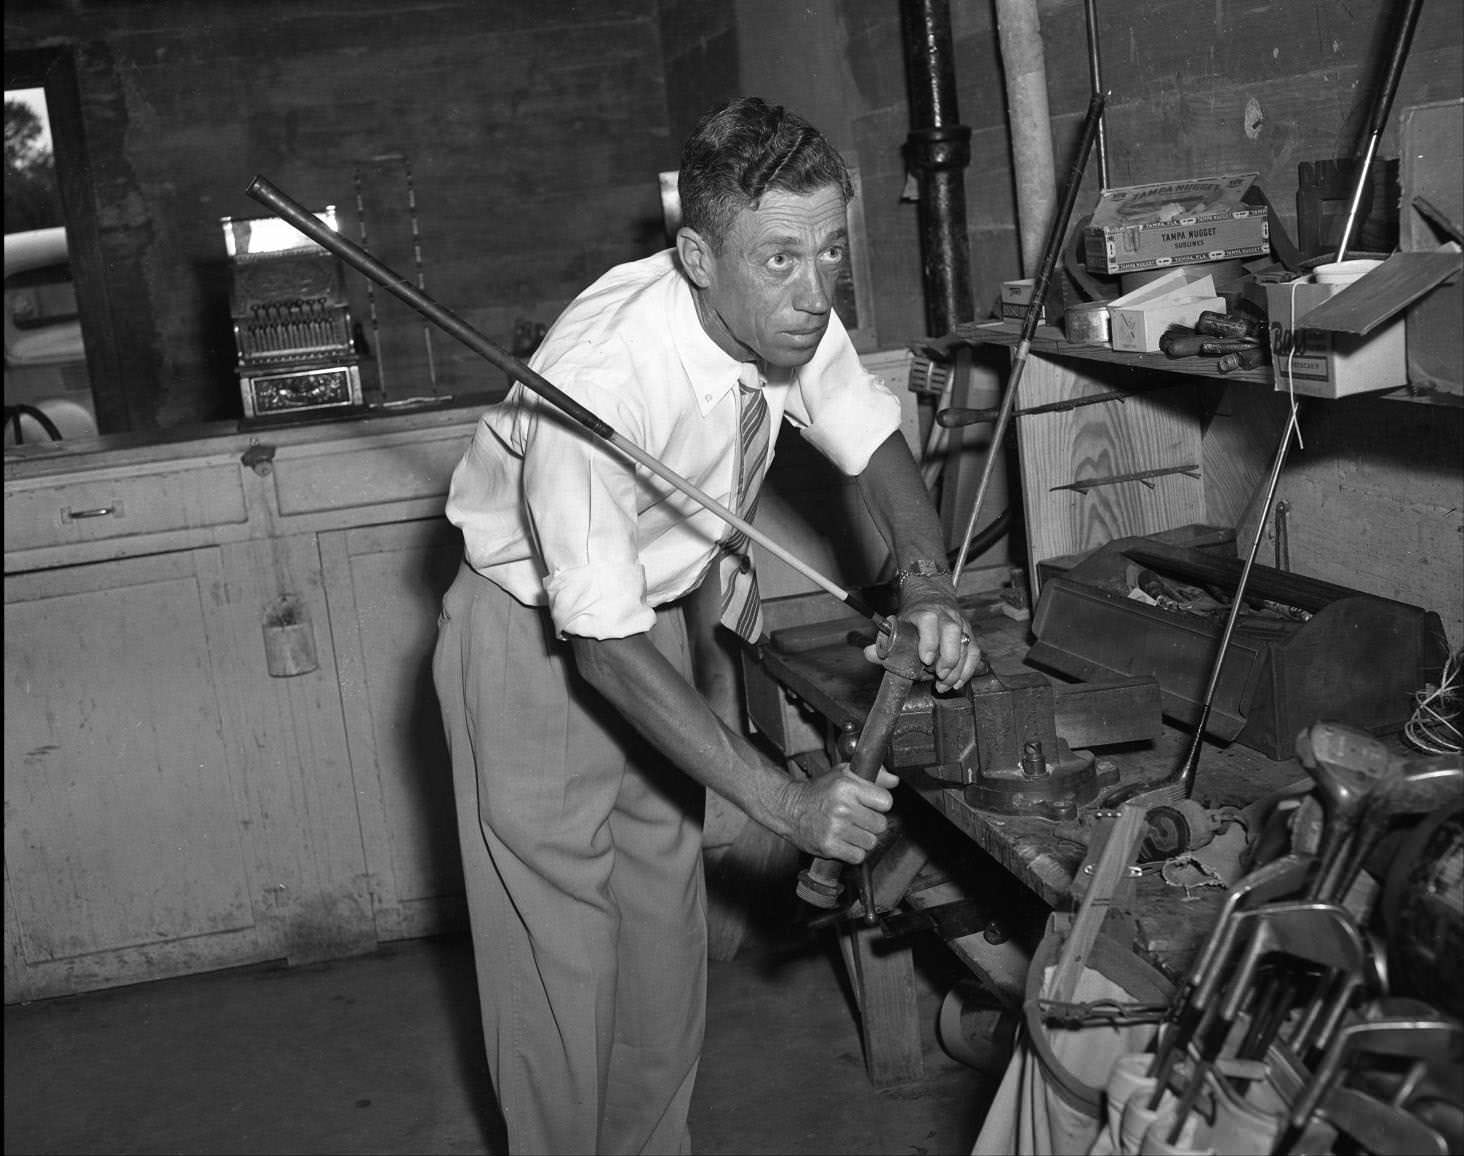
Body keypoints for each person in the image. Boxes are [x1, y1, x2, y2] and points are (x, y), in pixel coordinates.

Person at [433, 95, 983, 1155]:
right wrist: (785, 800)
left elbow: (870, 443)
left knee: (660, 934)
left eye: (831, 250)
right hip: (537, 644)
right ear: (695, 253)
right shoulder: (597, 381)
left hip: (651, 625)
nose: (815, 291)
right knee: (563, 968)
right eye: (782, 260)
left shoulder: (786, 310)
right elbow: (597, 647)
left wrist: (928, 586)